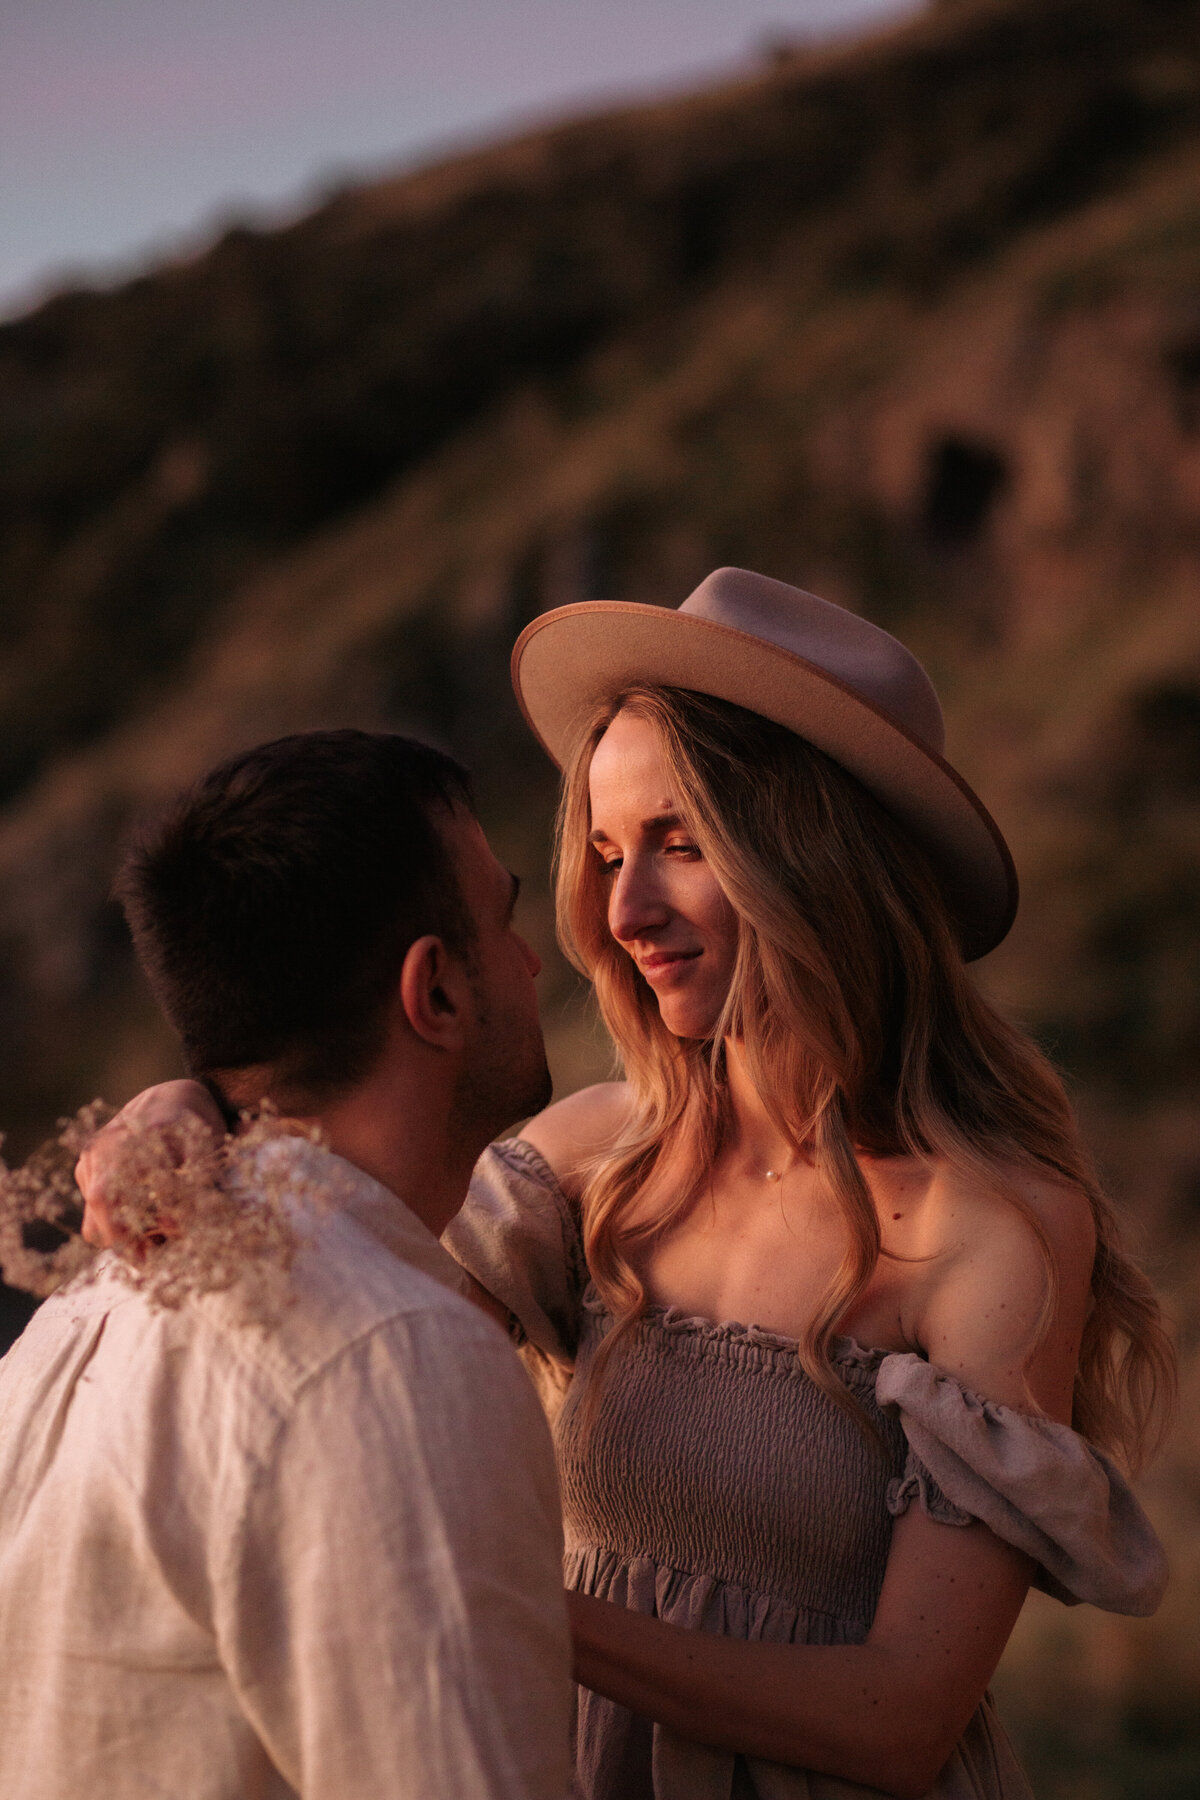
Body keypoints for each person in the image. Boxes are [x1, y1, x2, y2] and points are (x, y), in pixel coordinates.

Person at [79, 573, 1174, 1800]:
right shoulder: (595, 1163)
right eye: (604, 853)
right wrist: (189, 1108)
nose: (622, 909)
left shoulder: (989, 1229)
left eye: (678, 844)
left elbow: (898, 1717)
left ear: (813, 862)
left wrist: (502, 1603)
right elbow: (346, 1283)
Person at [0, 729, 572, 1800]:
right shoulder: (390, 1358)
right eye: (502, 920)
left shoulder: (68, 1330)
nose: (534, 959)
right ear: (435, 992)